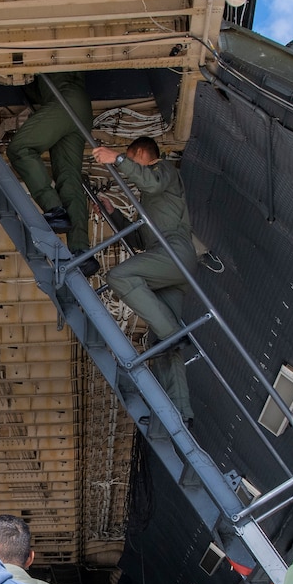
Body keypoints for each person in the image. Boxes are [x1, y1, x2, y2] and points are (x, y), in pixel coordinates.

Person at [96, 137, 211, 424]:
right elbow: (139, 239)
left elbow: (152, 183)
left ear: (141, 154)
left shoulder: (166, 172)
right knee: (163, 344)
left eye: (132, 161)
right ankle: (181, 412)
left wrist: (117, 160)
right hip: (166, 259)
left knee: (119, 275)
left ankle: (173, 333)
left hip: (174, 253)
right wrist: (115, 215)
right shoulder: (151, 200)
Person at [8, 72, 93, 249]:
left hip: (66, 102)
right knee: (69, 178)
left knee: (20, 149)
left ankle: (54, 209)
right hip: (79, 106)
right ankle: (81, 251)